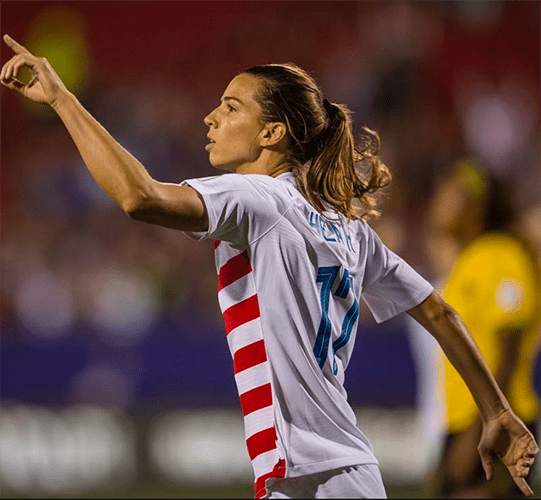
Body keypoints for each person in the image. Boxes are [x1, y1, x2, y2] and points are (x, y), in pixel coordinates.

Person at [1, 34, 538, 499]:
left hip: (315, 474)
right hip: (333, 472)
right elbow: (439, 311)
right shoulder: (348, 228)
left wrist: (62, 100)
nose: (212, 117)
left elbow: (138, 196)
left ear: (272, 134)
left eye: (231, 107)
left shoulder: (261, 200)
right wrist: (496, 412)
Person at [426, 161, 541, 498]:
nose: (439, 203)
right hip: (472, 423)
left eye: (449, 195)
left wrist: (479, 433)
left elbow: (508, 354)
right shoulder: (473, 258)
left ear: (474, 205)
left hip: (497, 428)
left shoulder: (500, 256)